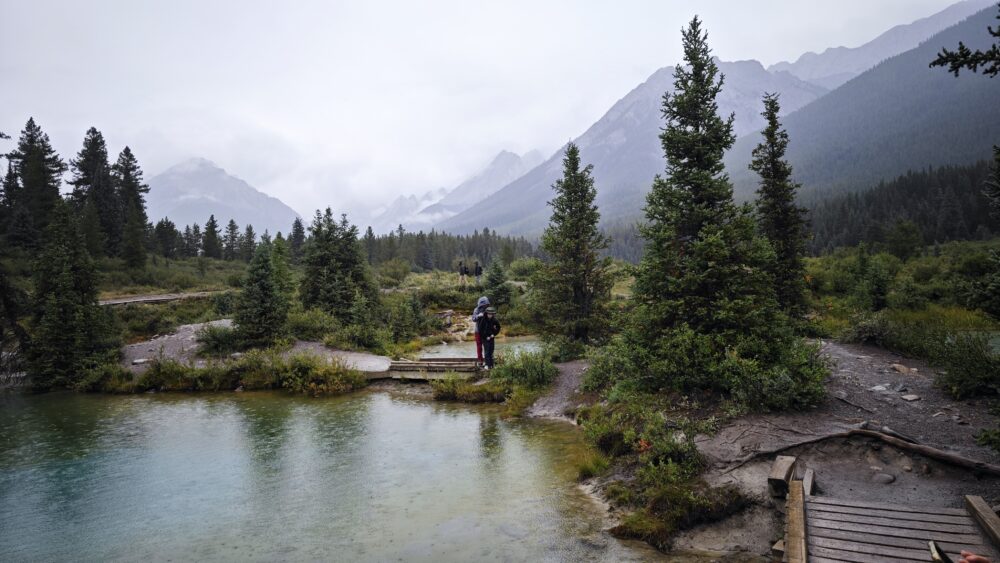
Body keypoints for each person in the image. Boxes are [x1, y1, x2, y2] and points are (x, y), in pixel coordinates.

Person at [472, 296, 490, 367]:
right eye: (484, 304)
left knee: (487, 346)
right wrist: (478, 316)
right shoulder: (476, 309)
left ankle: (487, 361)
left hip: (486, 331)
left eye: (486, 304)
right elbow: (473, 319)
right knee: (479, 346)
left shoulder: (488, 310)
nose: (485, 306)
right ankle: (480, 361)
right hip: (478, 331)